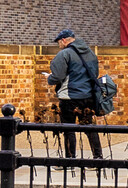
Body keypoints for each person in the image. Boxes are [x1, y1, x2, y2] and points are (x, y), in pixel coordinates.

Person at [45, 29, 105, 159]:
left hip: (70, 98)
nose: (59, 45)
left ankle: (70, 159)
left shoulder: (65, 54)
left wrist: (49, 78)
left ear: (64, 40)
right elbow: (94, 74)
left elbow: (58, 76)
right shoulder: (90, 53)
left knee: (69, 129)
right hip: (88, 97)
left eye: (58, 42)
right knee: (89, 127)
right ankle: (98, 157)